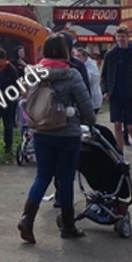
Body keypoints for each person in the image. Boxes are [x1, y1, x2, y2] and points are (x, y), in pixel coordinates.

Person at [18, 33, 98, 244]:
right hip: (67, 133)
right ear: (64, 51)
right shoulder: (71, 75)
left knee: (42, 176)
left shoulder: (34, 74)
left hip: (41, 130)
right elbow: (86, 106)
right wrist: (91, 121)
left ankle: (27, 218)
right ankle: (68, 225)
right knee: (65, 178)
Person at [100, 27, 132, 162]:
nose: (121, 39)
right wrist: (105, 90)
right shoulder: (110, 54)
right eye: (118, 37)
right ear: (116, 38)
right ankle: (120, 154)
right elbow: (105, 75)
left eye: (123, 36)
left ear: (128, 37)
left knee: (130, 126)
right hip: (115, 95)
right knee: (117, 125)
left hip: (130, 96)